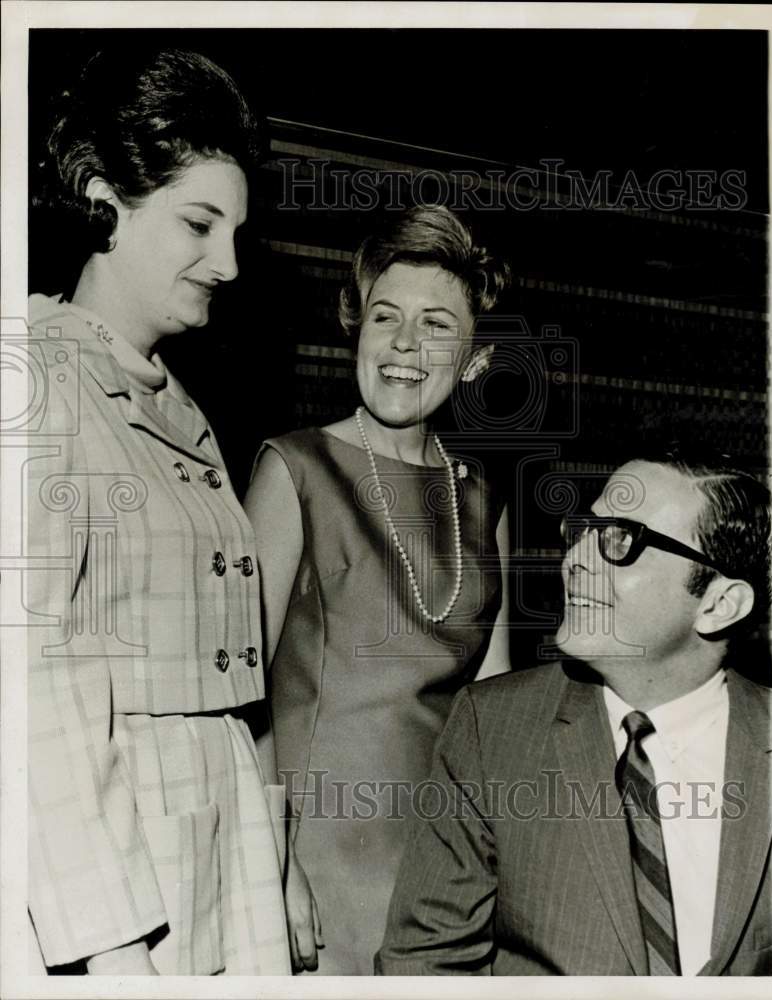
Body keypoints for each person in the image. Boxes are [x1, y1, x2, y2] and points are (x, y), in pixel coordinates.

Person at [26, 47, 303, 975]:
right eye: (198, 223)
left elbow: (238, 688)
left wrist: (273, 855)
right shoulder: (34, 380)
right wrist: (112, 947)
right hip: (123, 867)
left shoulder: (178, 404)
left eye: (236, 232)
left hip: (219, 840)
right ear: (104, 200)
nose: (227, 263)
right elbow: (30, 692)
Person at [377, 449, 772, 975]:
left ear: (719, 604)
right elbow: (424, 967)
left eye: (621, 540)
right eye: (585, 530)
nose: (576, 559)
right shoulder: (492, 731)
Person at [244, 204, 512, 974]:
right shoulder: (292, 469)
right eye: (384, 317)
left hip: (445, 867)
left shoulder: (486, 499)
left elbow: (490, 720)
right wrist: (273, 864)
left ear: (472, 360)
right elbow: (238, 698)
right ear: (354, 327)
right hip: (313, 864)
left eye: (435, 325)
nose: (403, 345)